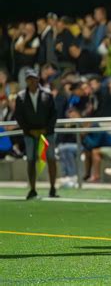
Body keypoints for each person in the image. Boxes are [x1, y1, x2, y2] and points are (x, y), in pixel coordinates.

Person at [14, 68, 58, 200]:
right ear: (27, 81)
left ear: (38, 79)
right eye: (29, 79)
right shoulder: (21, 97)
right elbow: (19, 117)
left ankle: (52, 187)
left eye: (34, 79)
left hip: (46, 131)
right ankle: (32, 188)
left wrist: (46, 129)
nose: (32, 81)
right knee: (31, 160)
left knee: (50, 158)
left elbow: (53, 114)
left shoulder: (47, 95)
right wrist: (28, 130)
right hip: (30, 132)